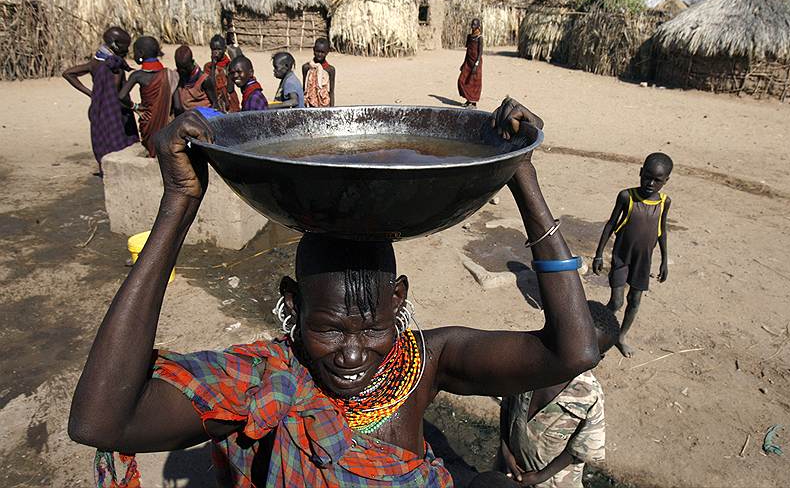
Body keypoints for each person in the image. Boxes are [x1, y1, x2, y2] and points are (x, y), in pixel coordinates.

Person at [68, 98, 601, 487]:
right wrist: (179, 202)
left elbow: (572, 351)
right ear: (292, 307)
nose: (352, 354)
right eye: (327, 328)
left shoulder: (425, 362)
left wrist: (520, 172)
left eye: (372, 327)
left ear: (398, 301)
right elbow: (103, 420)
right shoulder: (266, 380)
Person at [496, 301, 619, 488]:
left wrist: (540, 477)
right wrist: (505, 450)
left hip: (553, 481)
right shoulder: (526, 365)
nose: (574, 356)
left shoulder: (589, 396)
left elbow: (580, 449)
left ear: (598, 358)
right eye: (572, 343)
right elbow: (506, 404)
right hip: (509, 465)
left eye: (585, 351)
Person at [592, 153, 673, 358]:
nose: (650, 183)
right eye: (647, 177)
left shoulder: (664, 202)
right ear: (640, 172)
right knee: (617, 302)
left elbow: (661, 231)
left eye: (657, 180)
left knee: (634, 301)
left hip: (643, 261)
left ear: (666, 181)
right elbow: (610, 224)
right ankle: (599, 333)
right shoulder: (627, 197)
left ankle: (621, 336)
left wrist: (664, 260)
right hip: (622, 258)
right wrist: (599, 254)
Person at [62, 26, 138, 175]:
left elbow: (68, 73)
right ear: (115, 44)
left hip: (99, 107)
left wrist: (92, 94)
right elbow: (118, 92)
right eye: (125, 46)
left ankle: (107, 169)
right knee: (120, 142)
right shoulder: (114, 66)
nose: (127, 50)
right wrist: (134, 106)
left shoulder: (95, 62)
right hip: (115, 110)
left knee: (103, 138)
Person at [118, 36, 178, 158]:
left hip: (148, 120)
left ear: (141, 53)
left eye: (135, 52)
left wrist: (136, 107)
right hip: (166, 121)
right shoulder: (169, 74)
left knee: (150, 146)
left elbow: (122, 96)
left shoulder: (137, 75)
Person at [173, 45, 216, 115]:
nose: (182, 71)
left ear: (192, 62)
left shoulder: (204, 80)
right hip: (185, 118)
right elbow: (177, 107)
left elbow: (215, 104)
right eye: (179, 67)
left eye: (185, 68)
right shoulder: (176, 77)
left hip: (204, 118)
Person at [203, 34, 240, 113]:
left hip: (230, 101)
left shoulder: (229, 65)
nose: (216, 52)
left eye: (219, 49)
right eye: (214, 49)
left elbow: (230, 88)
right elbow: (210, 86)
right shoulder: (208, 67)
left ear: (225, 49)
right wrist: (213, 65)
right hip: (215, 100)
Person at [302, 37, 336, 107]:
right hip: (309, 105)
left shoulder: (330, 69)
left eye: (322, 52)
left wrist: (332, 109)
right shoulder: (306, 67)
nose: (319, 54)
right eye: (317, 51)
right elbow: (304, 89)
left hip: (324, 104)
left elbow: (331, 92)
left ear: (327, 52)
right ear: (313, 50)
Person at [458, 18, 483, 107]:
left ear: (478, 26)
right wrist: (464, 63)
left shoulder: (480, 38)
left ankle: (473, 102)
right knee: (462, 80)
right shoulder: (469, 37)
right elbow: (468, 51)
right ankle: (468, 100)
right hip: (468, 62)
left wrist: (476, 65)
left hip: (476, 63)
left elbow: (480, 53)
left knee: (474, 82)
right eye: (472, 24)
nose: (472, 26)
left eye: (474, 24)